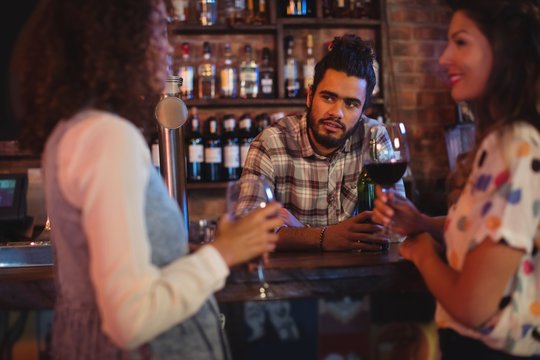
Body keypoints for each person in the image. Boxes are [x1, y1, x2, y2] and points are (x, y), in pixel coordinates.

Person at [11, 0, 283, 358]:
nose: (165, 45)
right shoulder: (108, 138)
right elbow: (130, 318)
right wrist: (223, 252)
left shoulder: (68, 132)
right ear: (120, 41)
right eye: (156, 31)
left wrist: (220, 252)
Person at [373, 0, 540, 358]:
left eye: (460, 42)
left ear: (504, 51)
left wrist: (422, 253)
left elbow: (473, 305)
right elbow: (491, 227)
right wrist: (422, 222)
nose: (444, 57)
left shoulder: (516, 146)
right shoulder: (504, 140)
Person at [241, 34, 405, 252]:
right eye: (328, 97)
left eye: (351, 104)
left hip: (359, 278)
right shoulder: (271, 144)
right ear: (310, 96)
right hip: (290, 281)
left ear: (363, 111)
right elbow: (245, 232)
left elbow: (397, 228)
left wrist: (298, 230)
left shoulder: (374, 137)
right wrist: (323, 237)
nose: (336, 112)